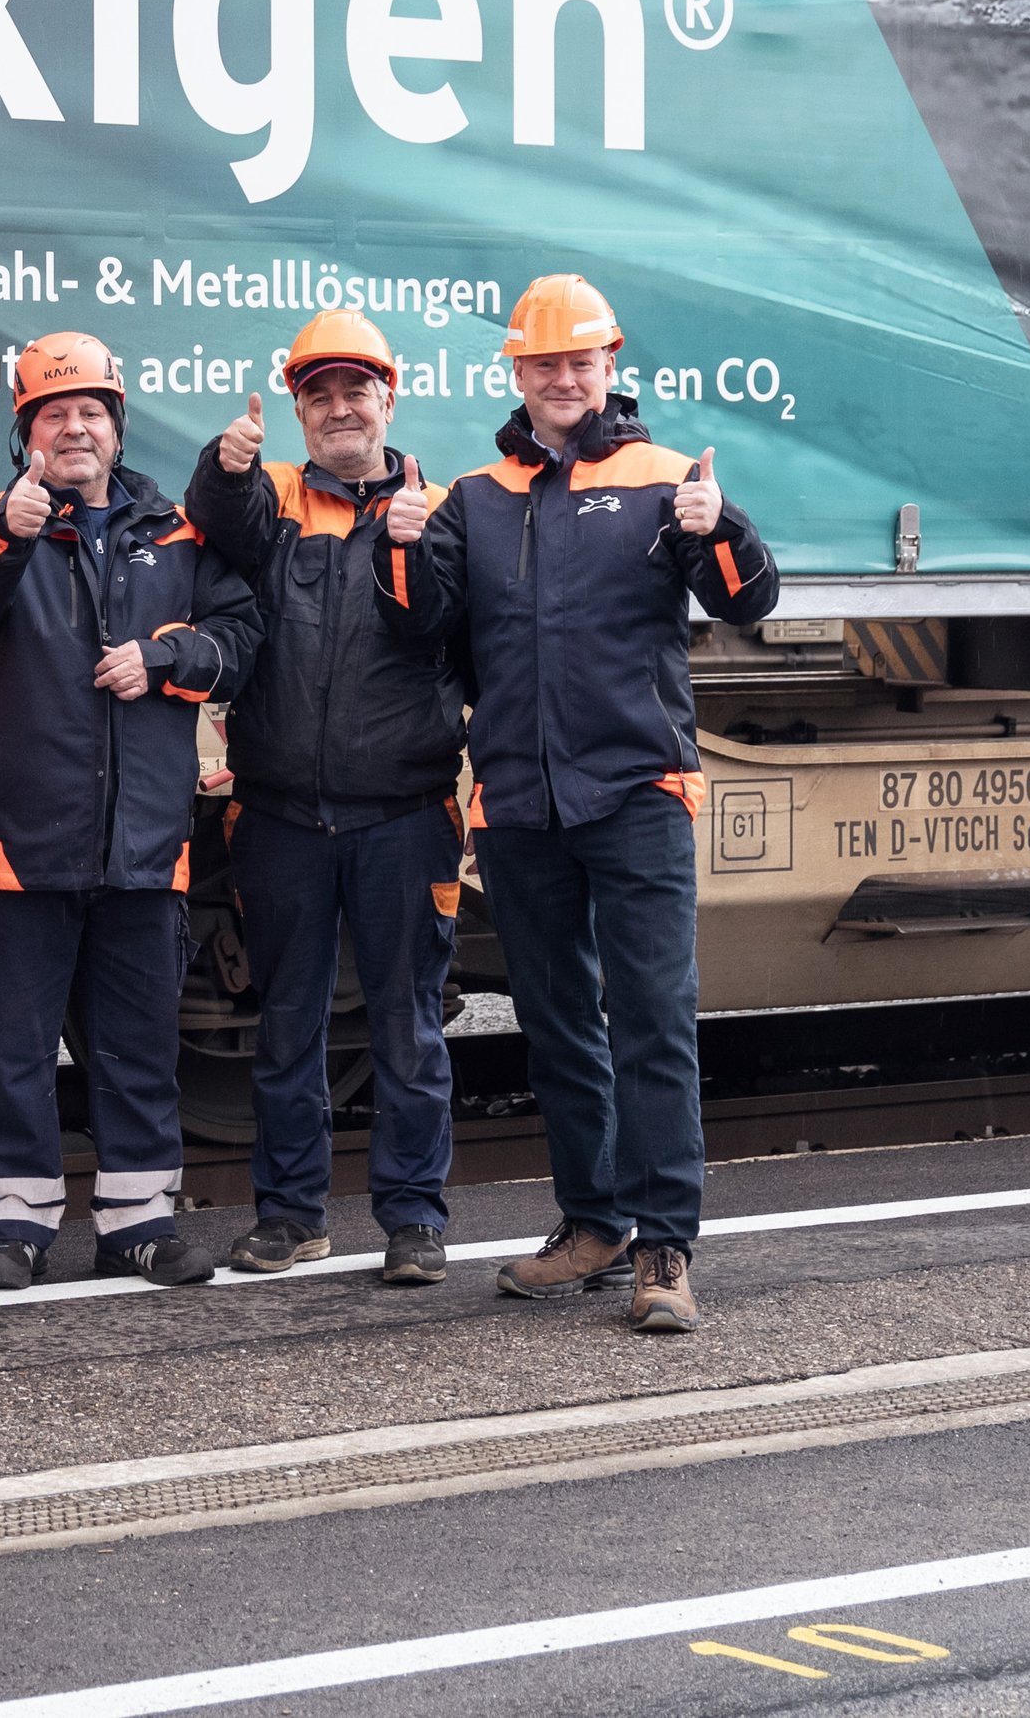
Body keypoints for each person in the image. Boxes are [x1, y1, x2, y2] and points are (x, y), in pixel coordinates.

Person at [383, 273, 776, 1335]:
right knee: (556, 1025)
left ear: (609, 367)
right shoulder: (472, 495)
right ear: (515, 372)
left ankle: (663, 1247)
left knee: (650, 1021)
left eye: (579, 360)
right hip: (521, 800)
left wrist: (721, 522)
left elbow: (746, 599)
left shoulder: (663, 479)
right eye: (542, 362)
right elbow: (427, 629)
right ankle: (591, 1224)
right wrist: (402, 546)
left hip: (638, 790)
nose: (562, 377)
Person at [0, 332, 262, 1290]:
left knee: (138, 1043)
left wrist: (166, 661)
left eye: (91, 413)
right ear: (25, 432)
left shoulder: (178, 533)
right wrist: (12, 528)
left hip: (146, 843)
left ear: (117, 430)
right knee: (15, 1049)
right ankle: (14, 1228)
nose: (74, 428)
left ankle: (139, 1223)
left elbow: (239, 638)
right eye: (53, 414)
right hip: (22, 842)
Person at [185, 308, 467, 1286]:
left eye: (356, 390)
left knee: (408, 1026)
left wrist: (417, 547)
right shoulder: (269, 504)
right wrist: (221, 466)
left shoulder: (442, 509)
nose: (339, 407)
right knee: (286, 1027)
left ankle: (414, 1221)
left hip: (403, 812)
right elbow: (220, 520)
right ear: (299, 412)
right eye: (319, 394)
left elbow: (468, 632)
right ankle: (291, 1215)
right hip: (280, 816)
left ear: (389, 397)